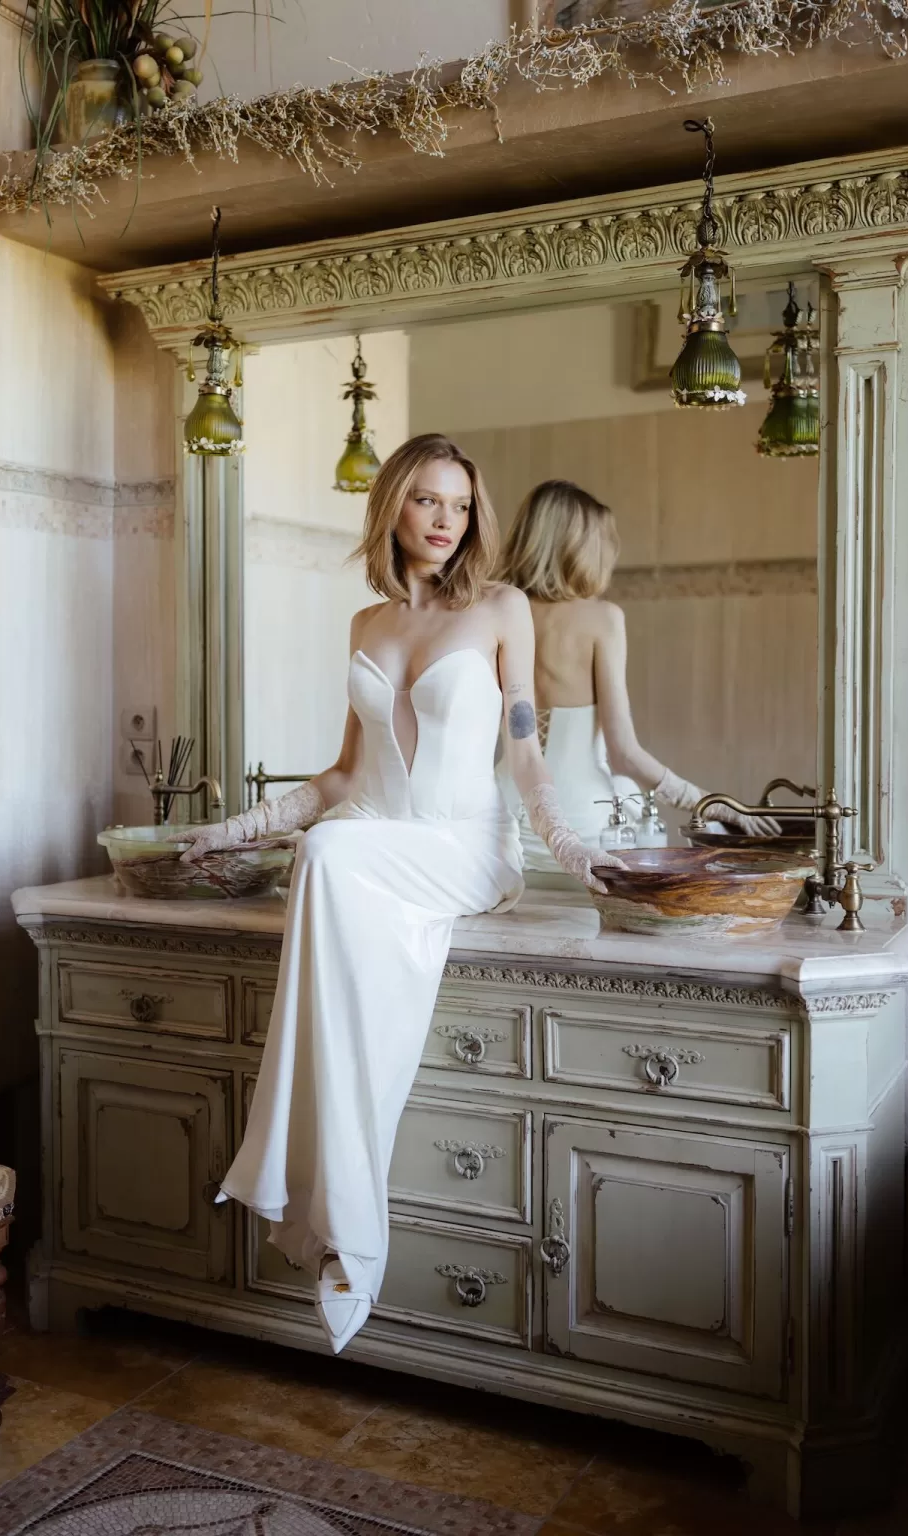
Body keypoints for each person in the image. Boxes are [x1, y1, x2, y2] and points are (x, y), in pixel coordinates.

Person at [180, 435, 624, 1357]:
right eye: (426, 501)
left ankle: (334, 1219)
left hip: (461, 849)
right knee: (331, 851)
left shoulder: (503, 610)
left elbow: (526, 754)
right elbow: (343, 777)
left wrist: (573, 849)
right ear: (392, 507)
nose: (444, 521)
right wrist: (230, 831)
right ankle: (350, 1222)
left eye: (459, 506)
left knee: (331, 858)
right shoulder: (366, 625)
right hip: (368, 847)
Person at [497, 479, 779, 862]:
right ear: (581, 547)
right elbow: (624, 753)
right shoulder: (602, 620)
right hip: (579, 818)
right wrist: (710, 804)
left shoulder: (496, 613)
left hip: (501, 813)